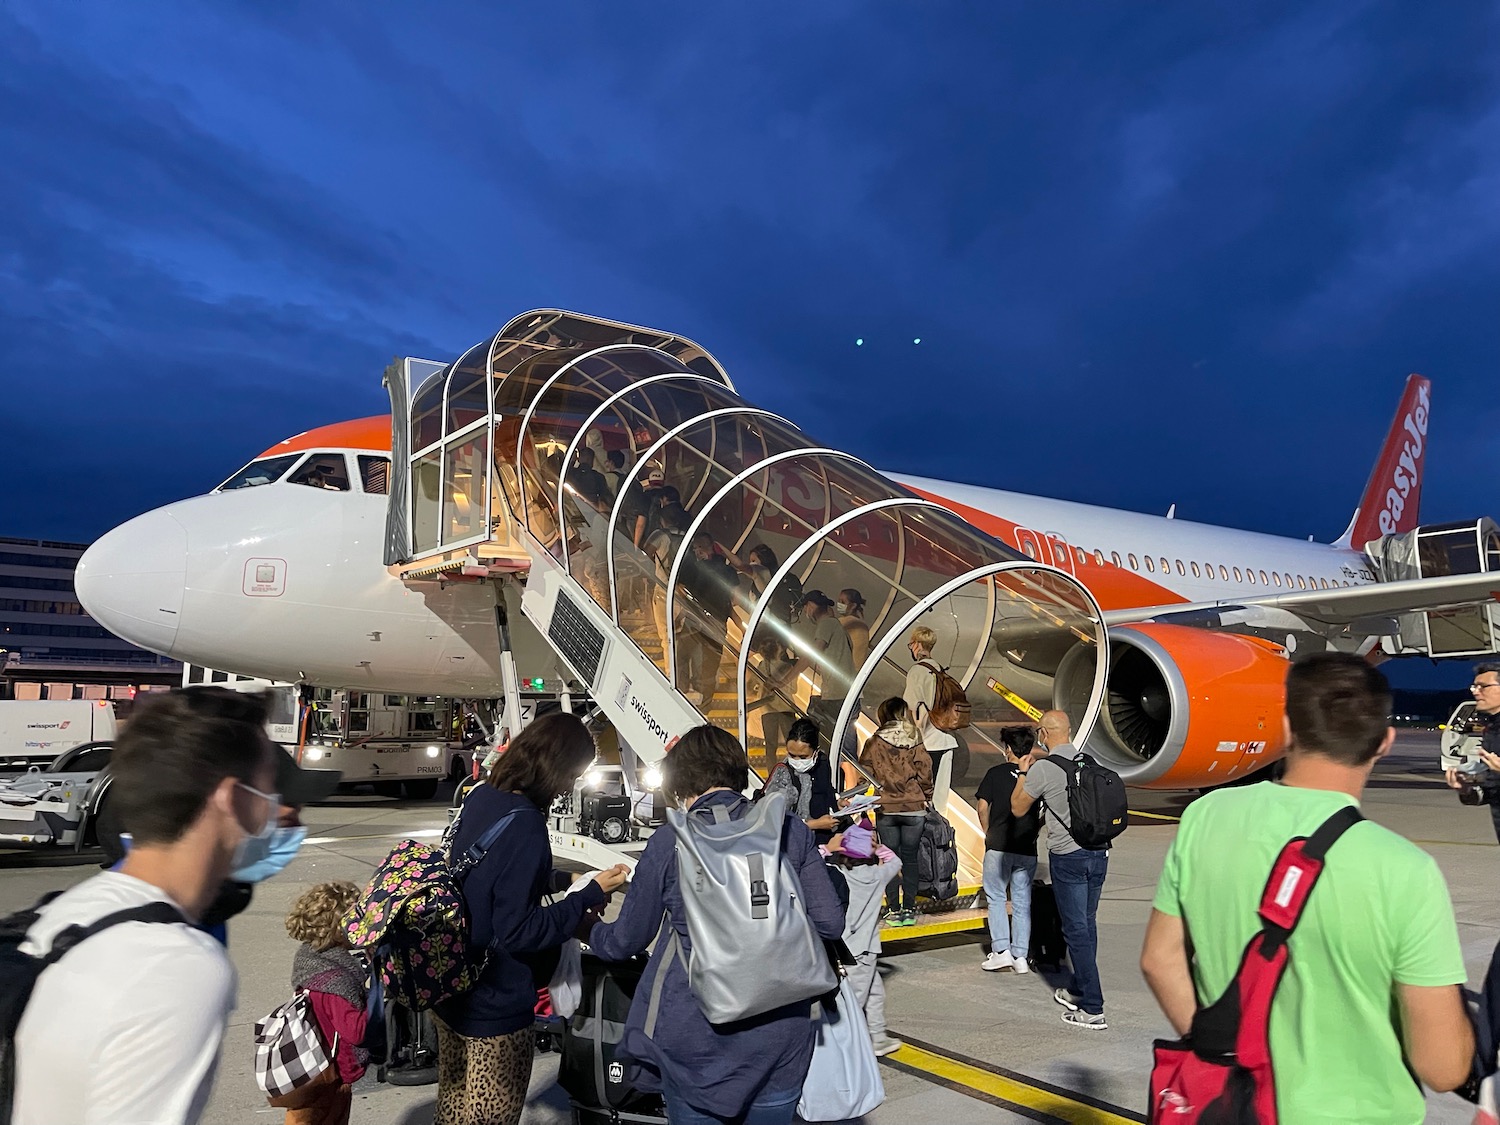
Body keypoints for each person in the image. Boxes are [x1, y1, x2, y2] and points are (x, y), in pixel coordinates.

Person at [1142, 653, 1474, 1117]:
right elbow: (1441, 1068)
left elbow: (1159, 960)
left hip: (1236, 1106)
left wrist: (1225, 1052)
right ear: (1384, 742)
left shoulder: (1206, 816)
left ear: (1285, 726)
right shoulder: (1405, 869)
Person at [13, 688, 279, 1125]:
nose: (278, 812)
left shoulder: (71, 913)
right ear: (233, 799)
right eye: (270, 787)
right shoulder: (172, 965)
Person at [585, 725, 846, 1124]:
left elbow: (625, 941)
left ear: (680, 781)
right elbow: (830, 923)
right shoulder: (789, 830)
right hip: (782, 1037)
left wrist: (585, 927)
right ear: (737, 772)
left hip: (698, 1041)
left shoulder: (671, 840)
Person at [432, 713, 629, 1125]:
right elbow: (520, 931)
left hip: (451, 988)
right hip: (494, 1006)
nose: (569, 786)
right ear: (555, 769)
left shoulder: (483, 796)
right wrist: (590, 895)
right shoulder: (527, 825)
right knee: (488, 1117)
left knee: (452, 1112)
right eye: (573, 775)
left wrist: (563, 878)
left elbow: (490, 878)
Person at [1011, 709, 1109, 1029]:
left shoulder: (1044, 768)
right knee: (1087, 924)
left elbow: (1018, 807)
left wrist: (1024, 773)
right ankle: (1080, 986)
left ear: (1043, 733)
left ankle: (1093, 1008)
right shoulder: (1089, 762)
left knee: (1075, 928)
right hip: (1099, 853)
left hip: (1069, 856)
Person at [283, 880, 369, 1125]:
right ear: (339, 929)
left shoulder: (310, 960)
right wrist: (377, 996)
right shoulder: (336, 981)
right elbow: (356, 1031)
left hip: (309, 1068)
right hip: (328, 1078)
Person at [825, 817, 904, 1057]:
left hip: (846, 947)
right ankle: (846, 1048)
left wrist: (829, 848)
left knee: (873, 992)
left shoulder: (839, 874)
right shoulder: (877, 875)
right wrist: (876, 845)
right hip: (866, 950)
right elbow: (896, 860)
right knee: (857, 1000)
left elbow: (814, 860)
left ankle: (878, 1037)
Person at [975, 726, 1044, 974]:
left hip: (999, 845)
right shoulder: (1036, 775)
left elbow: (983, 807)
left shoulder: (995, 774)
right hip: (1026, 847)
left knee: (996, 898)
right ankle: (1021, 956)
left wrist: (988, 832)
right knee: (1022, 902)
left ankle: (1001, 951)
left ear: (1007, 749)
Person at [860, 697, 932, 925]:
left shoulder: (874, 741)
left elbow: (865, 771)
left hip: (886, 807)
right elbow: (925, 771)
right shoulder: (915, 738)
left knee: (889, 859)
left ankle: (893, 909)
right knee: (910, 859)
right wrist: (926, 796)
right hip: (913, 807)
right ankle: (909, 909)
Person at [676, 532, 739, 705]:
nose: (696, 551)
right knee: (709, 665)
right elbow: (734, 600)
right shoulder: (728, 572)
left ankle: (681, 692)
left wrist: (681, 616)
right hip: (717, 624)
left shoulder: (697, 569)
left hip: (695, 622)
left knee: (681, 654)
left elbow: (686, 594)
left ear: (706, 548)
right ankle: (705, 703)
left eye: (698, 547)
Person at [904, 626, 960, 809]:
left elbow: (910, 708)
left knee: (920, 797)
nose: (911, 648)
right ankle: (939, 834)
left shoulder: (917, 671)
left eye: (911, 644)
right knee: (940, 798)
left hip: (927, 742)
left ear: (918, 645)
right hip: (947, 740)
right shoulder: (941, 670)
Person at [1446, 661, 1500, 842]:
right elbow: (1493, 790)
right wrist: (1466, 790)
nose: (1475, 691)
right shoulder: (1493, 730)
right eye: (1474, 686)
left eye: (1482, 686)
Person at [763, 717, 840, 844]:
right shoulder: (783, 774)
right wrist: (814, 824)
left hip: (825, 840)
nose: (797, 761)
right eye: (792, 755)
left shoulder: (822, 763)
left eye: (803, 757)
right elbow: (775, 820)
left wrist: (837, 802)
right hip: (797, 844)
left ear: (816, 751)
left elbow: (826, 791)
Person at [797, 590, 856, 743]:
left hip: (837, 696)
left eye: (805, 608)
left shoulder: (826, 624)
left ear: (810, 606)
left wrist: (782, 680)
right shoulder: (838, 627)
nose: (805, 612)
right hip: (850, 694)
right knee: (844, 746)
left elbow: (811, 655)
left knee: (824, 742)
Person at [837, 588, 870, 667]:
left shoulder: (847, 622)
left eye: (843, 602)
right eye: (839, 601)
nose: (839, 604)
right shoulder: (862, 625)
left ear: (853, 606)